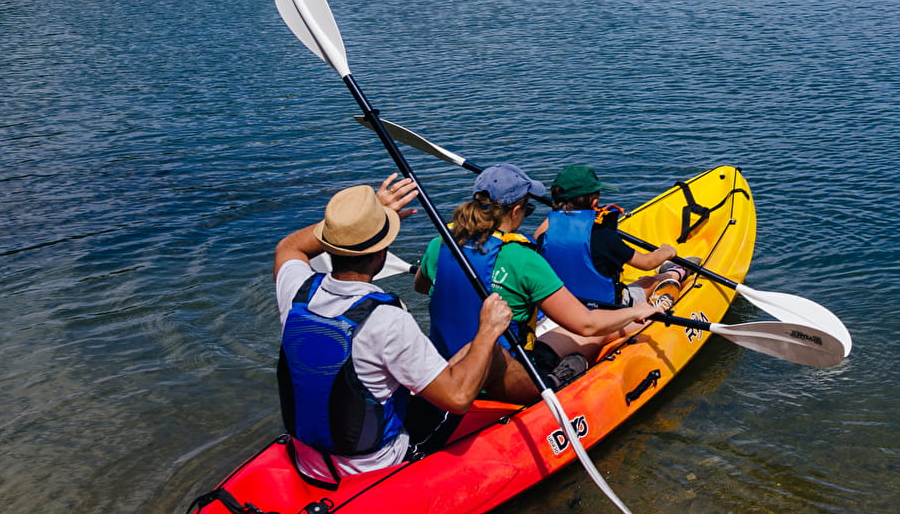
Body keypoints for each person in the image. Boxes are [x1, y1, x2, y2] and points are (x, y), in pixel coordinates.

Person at [275, 174, 513, 485]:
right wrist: (488, 328)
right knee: (484, 351)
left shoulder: (296, 290)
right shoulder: (387, 318)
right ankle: (550, 393)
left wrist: (354, 222)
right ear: (381, 254)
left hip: (310, 460)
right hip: (376, 463)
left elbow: (289, 246)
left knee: (464, 355)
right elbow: (457, 399)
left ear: (329, 246)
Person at [413, 163, 658, 405]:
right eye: (528, 209)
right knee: (595, 335)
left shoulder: (441, 243)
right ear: (516, 210)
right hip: (506, 378)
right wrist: (635, 311)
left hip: (446, 367)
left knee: (559, 334)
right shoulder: (522, 258)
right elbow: (587, 325)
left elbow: (422, 287)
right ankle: (555, 379)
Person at [534, 164, 689, 309]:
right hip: (606, 307)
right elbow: (647, 263)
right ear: (595, 201)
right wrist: (667, 251)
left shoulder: (545, 236)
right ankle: (676, 272)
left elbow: (541, 230)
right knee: (648, 281)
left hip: (562, 306)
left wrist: (562, 210)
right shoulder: (602, 236)